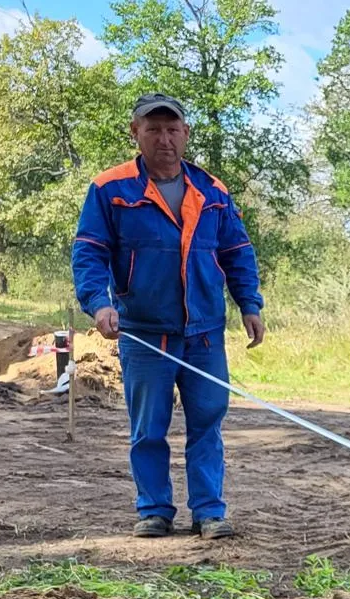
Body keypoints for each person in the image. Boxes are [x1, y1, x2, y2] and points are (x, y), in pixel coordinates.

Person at [71, 92, 265, 540]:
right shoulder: (110, 190)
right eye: (153, 129)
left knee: (207, 423)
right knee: (148, 429)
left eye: (172, 129)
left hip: (204, 335)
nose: (164, 139)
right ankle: (155, 510)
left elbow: (237, 251)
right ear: (135, 132)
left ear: (186, 133)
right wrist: (99, 304)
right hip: (143, 334)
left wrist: (249, 304)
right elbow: (90, 253)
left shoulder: (212, 191)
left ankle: (210, 512)